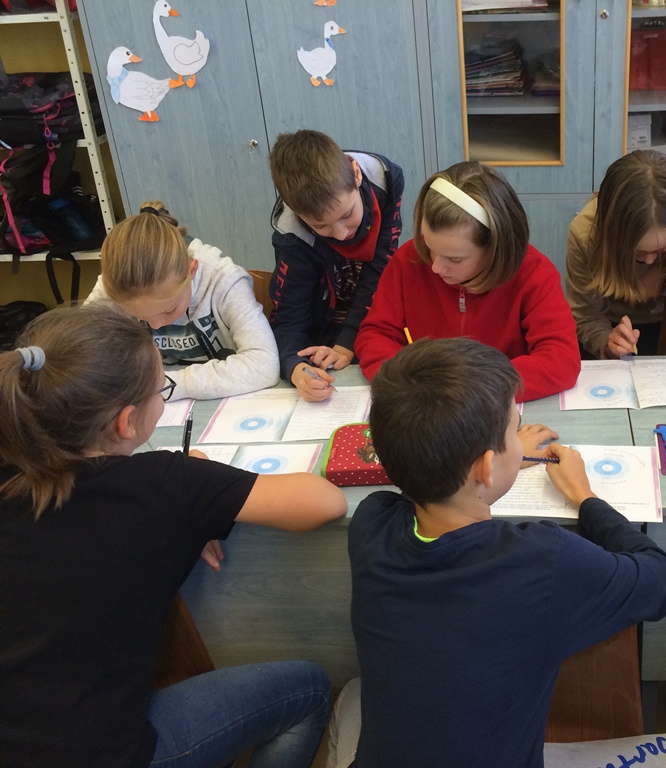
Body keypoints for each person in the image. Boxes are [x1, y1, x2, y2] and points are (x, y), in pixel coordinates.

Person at [341, 337, 666, 768]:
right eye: (514, 430)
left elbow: (415, 490)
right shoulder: (543, 561)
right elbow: (663, 581)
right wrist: (586, 498)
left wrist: (489, 460)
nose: (520, 441)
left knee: (353, 696)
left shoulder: (371, 523)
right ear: (486, 466)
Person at [0, 304, 349, 767]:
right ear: (127, 422)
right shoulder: (164, 484)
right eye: (161, 390)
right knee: (307, 690)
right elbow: (325, 501)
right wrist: (199, 494)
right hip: (102, 754)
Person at [354, 161, 581, 402]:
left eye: (455, 259)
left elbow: (561, 359)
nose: (436, 267)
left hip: (497, 405)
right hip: (430, 401)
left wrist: (467, 388)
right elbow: (375, 335)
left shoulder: (534, 273)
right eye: (430, 247)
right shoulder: (408, 260)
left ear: (495, 249)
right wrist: (409, 384)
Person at [85, 201, 279, 400]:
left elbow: (264, 365)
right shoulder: (115, 286)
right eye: (138, 316)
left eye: (169, 310)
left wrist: (166, 385)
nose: (155, 325)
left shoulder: (224, 280)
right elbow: (81, 358)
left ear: (191, 271)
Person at [268, 129, 403, 402]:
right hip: (322, 342)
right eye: (321, 226)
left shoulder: (386, 179)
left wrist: (348, 340)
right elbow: (287, 319)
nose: (341, 235)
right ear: (298, 214)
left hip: (373, 326)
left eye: (347, 214)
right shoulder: (292, 238)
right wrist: (294, 367)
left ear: (356, 173)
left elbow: (380, 269)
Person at [565, 149, 666, 359]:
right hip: (609, 325)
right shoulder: (585, 234)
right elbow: (586, 317)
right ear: (611, 235)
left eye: (664, 249)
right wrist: (607, 342)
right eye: (639, 253)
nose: (650, 260)